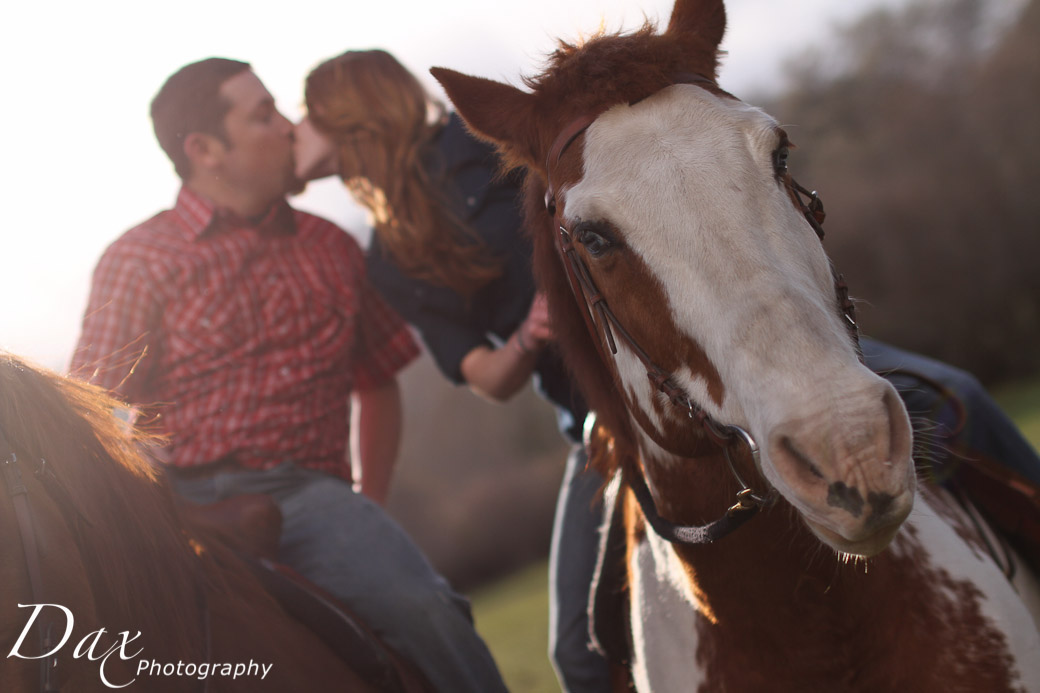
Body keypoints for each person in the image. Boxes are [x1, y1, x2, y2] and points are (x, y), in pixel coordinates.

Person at [294, 50, 1040, 693]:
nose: (299, 131)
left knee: (963, 398)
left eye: (309, 114)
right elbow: (486, 376)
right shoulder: (389, 255)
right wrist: (530, 333)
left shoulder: (514, 141)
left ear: (357, 118)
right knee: (575, 652)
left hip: (723, 342)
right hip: (600, 419)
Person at [69, 57, 508, 693]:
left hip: (310, 498)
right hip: (174, 504)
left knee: (428, 611)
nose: (289, 126)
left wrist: (368, 508)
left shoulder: (332, 246)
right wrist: (150, 504)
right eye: (263, 114)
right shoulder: (137, 259)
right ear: (205, 150)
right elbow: (93, 411)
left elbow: (378, 380)